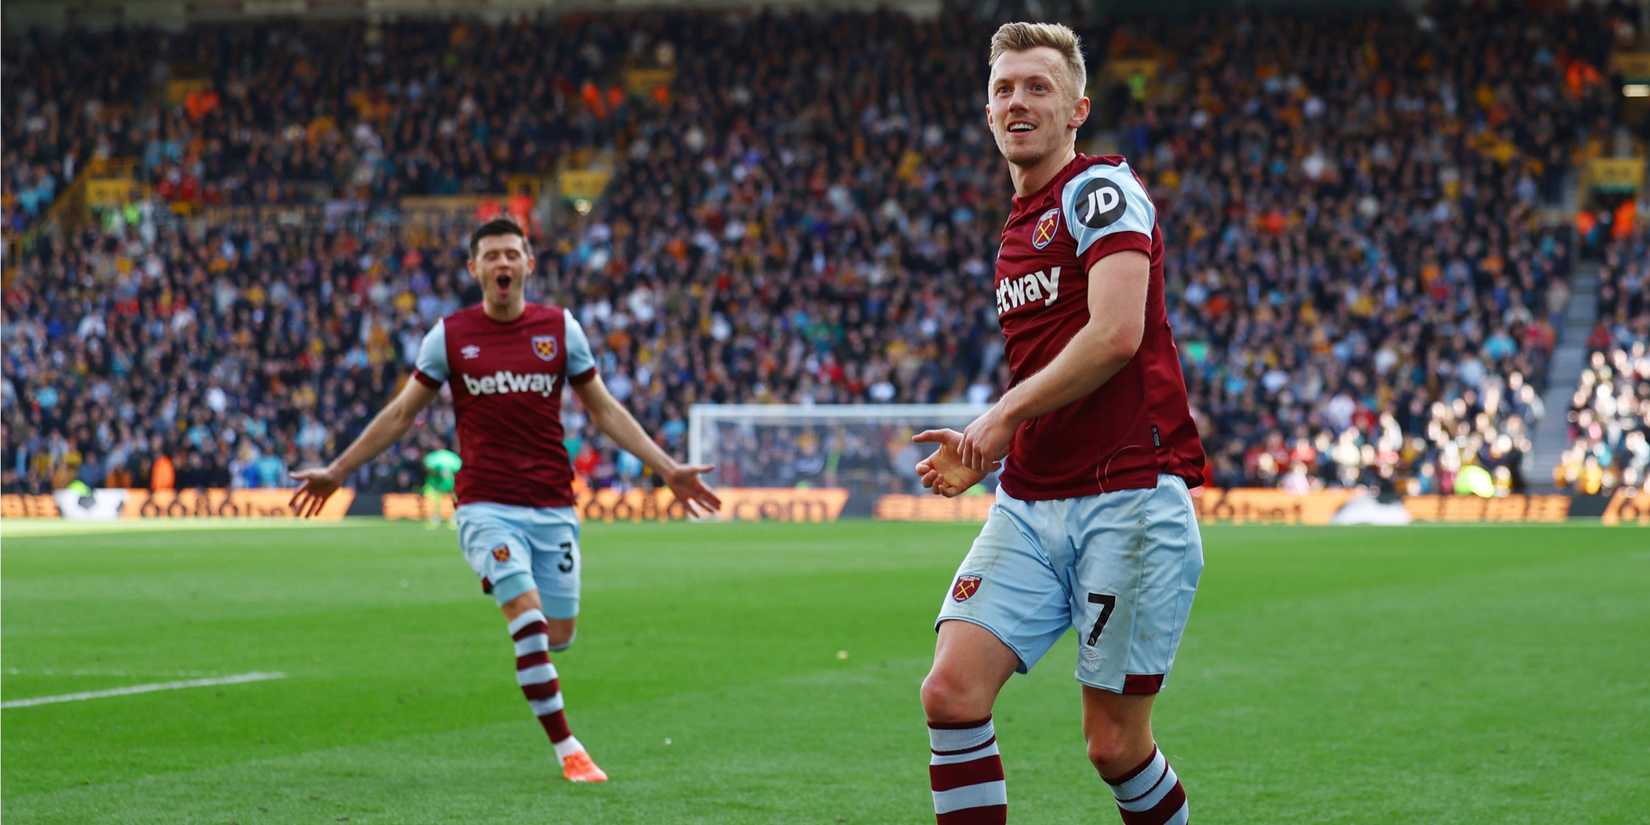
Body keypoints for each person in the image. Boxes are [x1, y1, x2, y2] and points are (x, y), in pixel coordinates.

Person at [290, 218, 721, 783]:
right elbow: (402, 413)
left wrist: (666, 468)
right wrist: (339, 470)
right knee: (528, 617)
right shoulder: (448, 336)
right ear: (474, 268)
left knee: (558, 634)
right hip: (485, 506)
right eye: (491, 256)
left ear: (528, 263)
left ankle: (529, 630)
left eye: (511, 254)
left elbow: (604, 408)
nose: (502, 265)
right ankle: (569, 750)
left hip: (553, 506)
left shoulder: (560, 329)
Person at [910, 22, 1206, 825]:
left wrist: (1000, 417)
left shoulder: (1100, 191)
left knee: (1113, 746)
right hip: (1032, 499)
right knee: (950, 689)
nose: (1018, 100)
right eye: (1004, 88)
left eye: (1037, 86)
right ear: (986, 111)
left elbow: (1117, 334)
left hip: (1129, 496)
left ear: (1077, 108)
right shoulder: (1014, 228)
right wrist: (987, 450)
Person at [422, 446, 462, 529]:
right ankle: (442, 519)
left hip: (444, 484)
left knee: (448, 501)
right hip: (442, 484)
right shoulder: (453, 458)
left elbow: (427, 467)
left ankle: (451, 519)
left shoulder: (432, 458)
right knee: (440, 502)